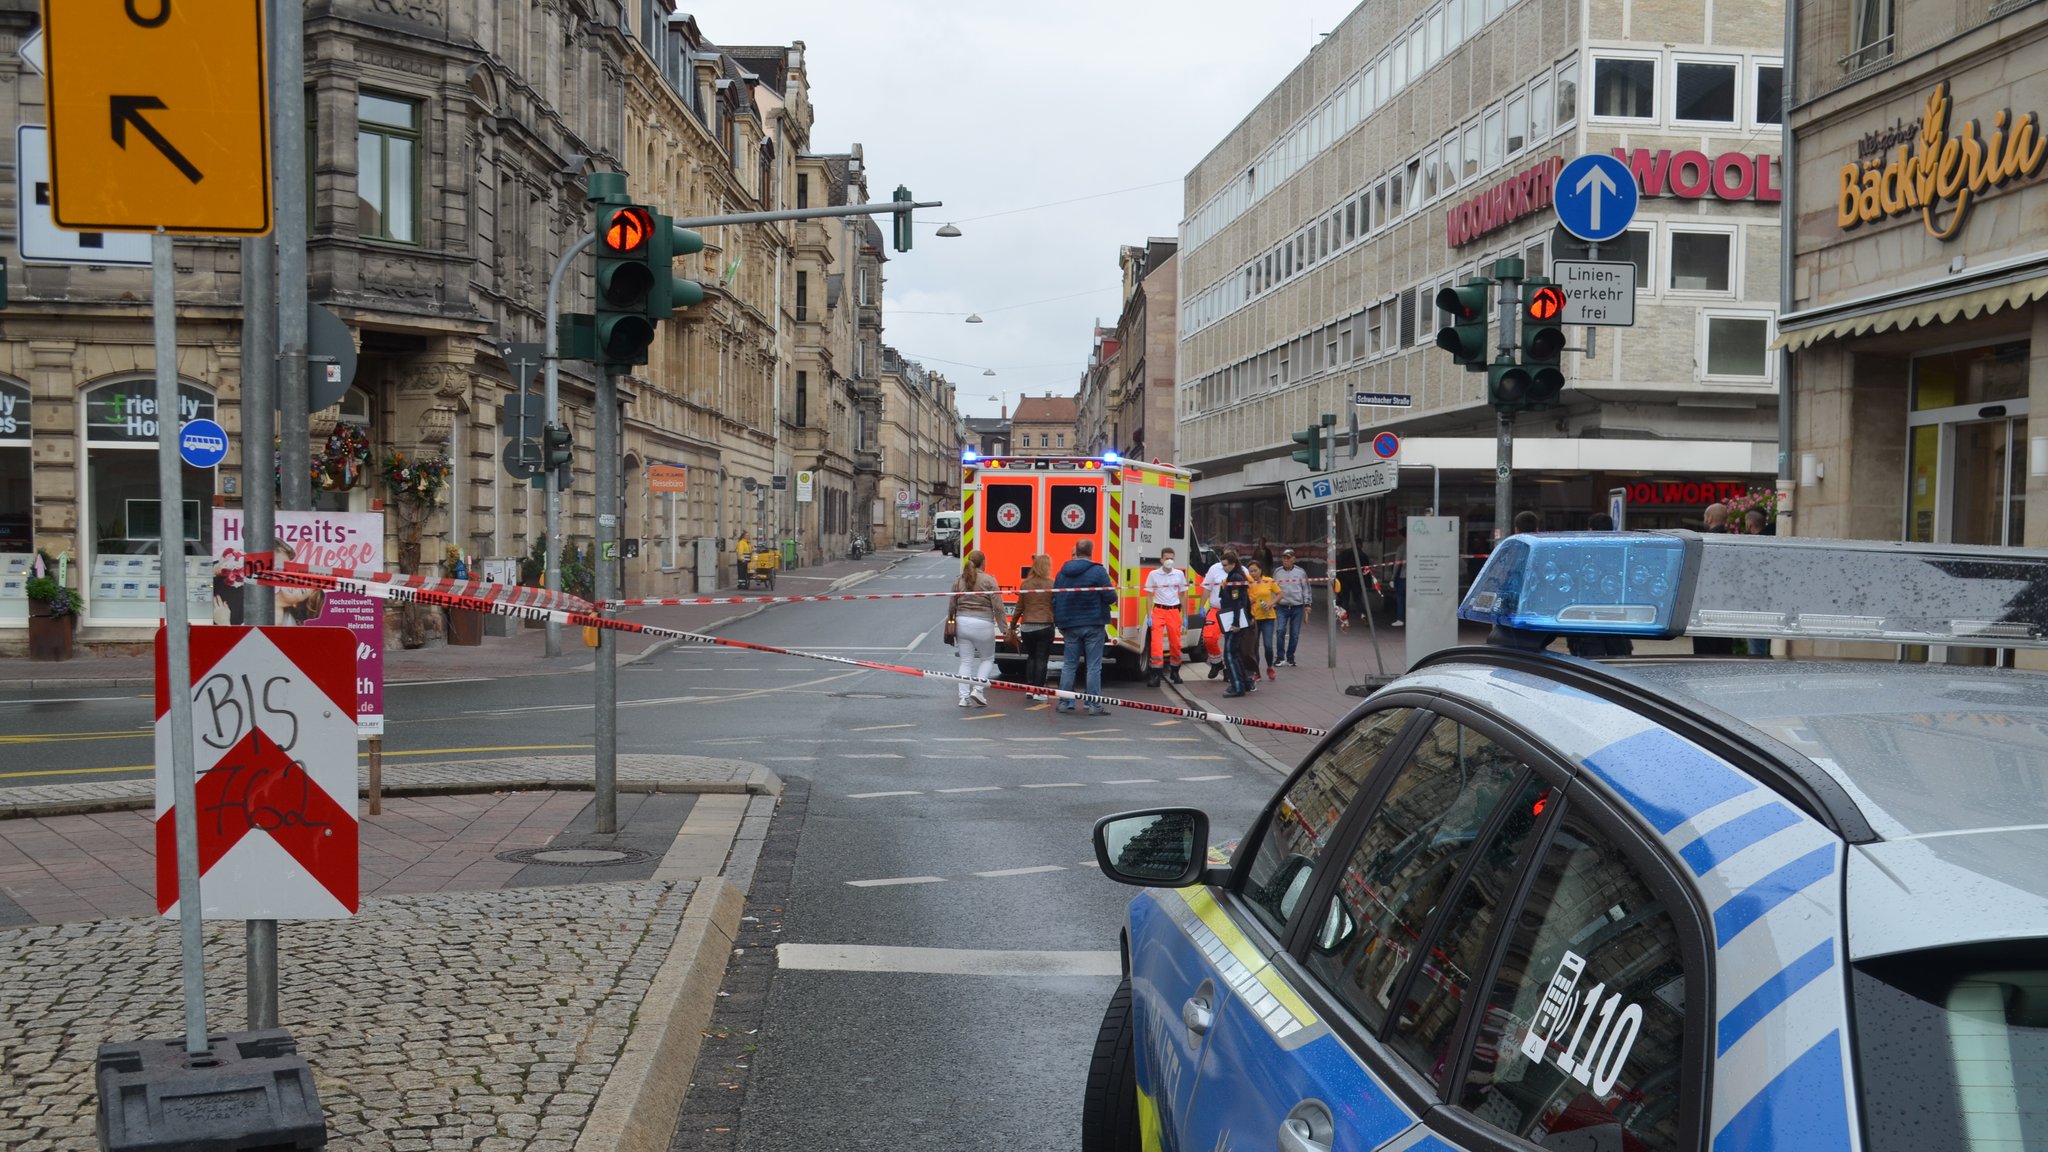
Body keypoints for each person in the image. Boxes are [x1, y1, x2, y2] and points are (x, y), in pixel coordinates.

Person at [1054, 539, 1115, 715]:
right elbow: (1110, 597)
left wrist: (1060, 622)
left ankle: (1065, 702)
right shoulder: (1098, 571)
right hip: (1093, 624)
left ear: (1077, 551)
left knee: (1069, 665)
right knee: (1094, 666)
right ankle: (1093, 705)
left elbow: (1055, 598)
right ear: (1091, 551)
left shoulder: (1062, 573)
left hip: (1070, 624)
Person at [1567, 513, 1634, 659]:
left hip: (1589, 620)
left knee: (1591, 664)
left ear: (1591, 530)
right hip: (1615, 619)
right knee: (1620, 663)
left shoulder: (1583, 553)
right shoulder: (1622, 552)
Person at [947, 550, 1002, 706]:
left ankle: (963, 697)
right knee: (987, 659)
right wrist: (1005, 628)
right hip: (983, 623)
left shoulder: (959, 580)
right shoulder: (989, 580)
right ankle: (978, 690)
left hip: (962, 622)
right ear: (983, 563)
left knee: (965, 661)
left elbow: (952, 605)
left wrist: (951, 623)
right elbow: (998, 607)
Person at [1693, 503, 1738, 655]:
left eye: (1705, 516)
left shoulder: (1704, 542)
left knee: (1704, 654)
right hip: (1726, 608)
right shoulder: (1734, 543)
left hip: (1705, 606)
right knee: (1723, 653)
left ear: (1710, 518)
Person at [1009, 554, 1056, 695]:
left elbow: (1019, 607)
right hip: (1045, 625)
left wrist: (1012, 625)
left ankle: (1029, 689)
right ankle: (1039, 691)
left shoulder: (1025, 584)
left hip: (1027, 627)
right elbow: (1055, 605)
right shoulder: (1051, 584)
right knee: (1042, 658)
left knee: (1031, 657)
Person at [1143, 548, 1189, 687]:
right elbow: (1149, 596)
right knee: (1156, 644)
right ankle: (1156, 675)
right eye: (1167, 558)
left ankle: (1175, 671)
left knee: (1175, 643)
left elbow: (1183, 595)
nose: (1169, 561)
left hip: (1174, 611)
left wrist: (1185, 615)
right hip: (1158, 610)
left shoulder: (1179, 574)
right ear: (1161, 559)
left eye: (1172, 558)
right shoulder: (1154, 574)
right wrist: (1149, 614)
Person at [1217, 554, 1255, 698]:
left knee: (1229, 654)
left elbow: (1238, 602)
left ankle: (1237, 686)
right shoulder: (1236, 576)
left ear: (1233, 564)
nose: (1224, 568)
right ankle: (1244, 682)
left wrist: (1236, 623)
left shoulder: (1235, 578)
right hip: (1236, 619)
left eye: (1226, 565)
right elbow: (1244, 601)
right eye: (1223, 565)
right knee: (1236, 653)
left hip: (1234, 620)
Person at [1201, 549, 1237, 678]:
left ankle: (1228, 669)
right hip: (1216, 609)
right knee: (1209, 637)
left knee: (1230, 642)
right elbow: (1206, 588)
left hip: (1232, 611)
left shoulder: (1241, 571)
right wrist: (1201, 607)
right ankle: (1216, 662)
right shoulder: (1214, 569)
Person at [1272, 549, 1309, 667]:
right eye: (1284, 558)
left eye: (1288, 558)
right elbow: (1273, 588)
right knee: (1280, 630)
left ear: (1294, 559)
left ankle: (1290, 657)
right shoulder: (1277, 572)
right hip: (1281, 606)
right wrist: (1273, 603)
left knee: (1295, 634)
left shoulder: (1301, 572)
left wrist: (1307, 604)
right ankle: (1279, 657)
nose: (1286, 560)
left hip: (1297, 607)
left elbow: (1306, 588)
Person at [1248, 561, 1281, 679]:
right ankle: (1257, 671)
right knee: (1254, 646)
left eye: (1255, 570)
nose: (1253, 573)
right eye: (1251, 571)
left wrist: (1271, 603)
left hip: (1268, 617)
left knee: (1268, 645)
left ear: (1261, 570)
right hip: (1254, 618)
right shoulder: (1248, 583)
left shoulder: (1269, 580)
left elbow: (1280, 594)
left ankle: (1269, 667)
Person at [1388, 531, 1408, 628]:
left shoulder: (1402, 547)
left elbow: (1397, 564)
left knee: (1400, 598)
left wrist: (1392, 578)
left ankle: (1400, 619)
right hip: (1418, 577)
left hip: (1404, 576)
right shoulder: (1420, 545)